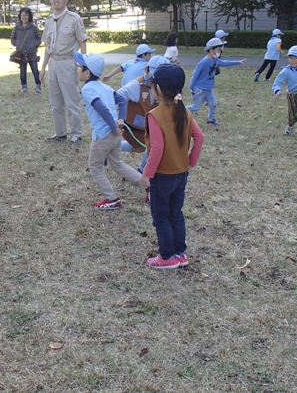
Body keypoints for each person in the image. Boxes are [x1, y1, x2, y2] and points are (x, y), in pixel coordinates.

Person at [140, 64, 204, 269]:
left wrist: (146, 174)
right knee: (176, 213)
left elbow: (157, 148)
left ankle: (166, 257)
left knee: (161, 215)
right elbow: (199, 137)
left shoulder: (155, 115)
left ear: (158, 89)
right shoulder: (183, 111)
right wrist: (190, 161)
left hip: (162, 176)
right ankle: (180, 253)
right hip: (181, 173)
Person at [74, 51, 143, 209]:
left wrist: (114, 127)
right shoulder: (105, 87)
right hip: (115, 135)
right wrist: (121, 120)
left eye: (79, 67)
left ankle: (111, 198)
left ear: (87, 72)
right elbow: (121, 99)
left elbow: (103, 110)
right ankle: (148, 185)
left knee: (94, 166)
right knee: (117, 165)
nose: (77, 69)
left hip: (104, 135)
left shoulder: (87, 90)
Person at [40, 0, 88, 144]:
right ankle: (60, 133)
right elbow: (47, 46)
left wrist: (83, 65)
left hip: (68, 63)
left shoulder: (74, 19)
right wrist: (43, 68)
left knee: (71, 100)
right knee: (55, 102)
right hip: (53, 63)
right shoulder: (48, 20)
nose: (56, 0)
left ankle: (76, 134)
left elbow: (83, 42)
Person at [116, 55, 170, 178]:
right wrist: (120, 116)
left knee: (140, 148)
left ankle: (111, 147)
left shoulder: (163, 89)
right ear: (147, 70)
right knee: (151, 145)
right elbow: (118, 96)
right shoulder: (137, 86)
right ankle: (142, 171)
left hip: (147, 126)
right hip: (133, 125)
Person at [186, 37, 246, 126]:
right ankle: (179, 110)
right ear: (211, 50)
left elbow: (225, 63)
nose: (219, 52)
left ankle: (211, 119)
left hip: (209, 89)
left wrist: (238, 62)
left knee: (213, 103)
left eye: (220, 50)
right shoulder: (204, 62)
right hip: (200, 89)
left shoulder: (216, 60)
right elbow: (195, 74)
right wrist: (191, 87)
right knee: (195, 107)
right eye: (218, 50)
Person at [11, 7, 42, 94]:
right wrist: (16, 44)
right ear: (20, 16)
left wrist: (34, 45)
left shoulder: (34, 27)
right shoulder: (16, 27)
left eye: (26, 15)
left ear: (29, 16)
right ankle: (24, 87)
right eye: (22, 15)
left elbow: (39, 38)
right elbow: (12, 38)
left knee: (35, 71)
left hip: (32, 53)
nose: (24, 17)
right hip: (21, 53)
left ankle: (38, 87)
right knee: (22, 72)